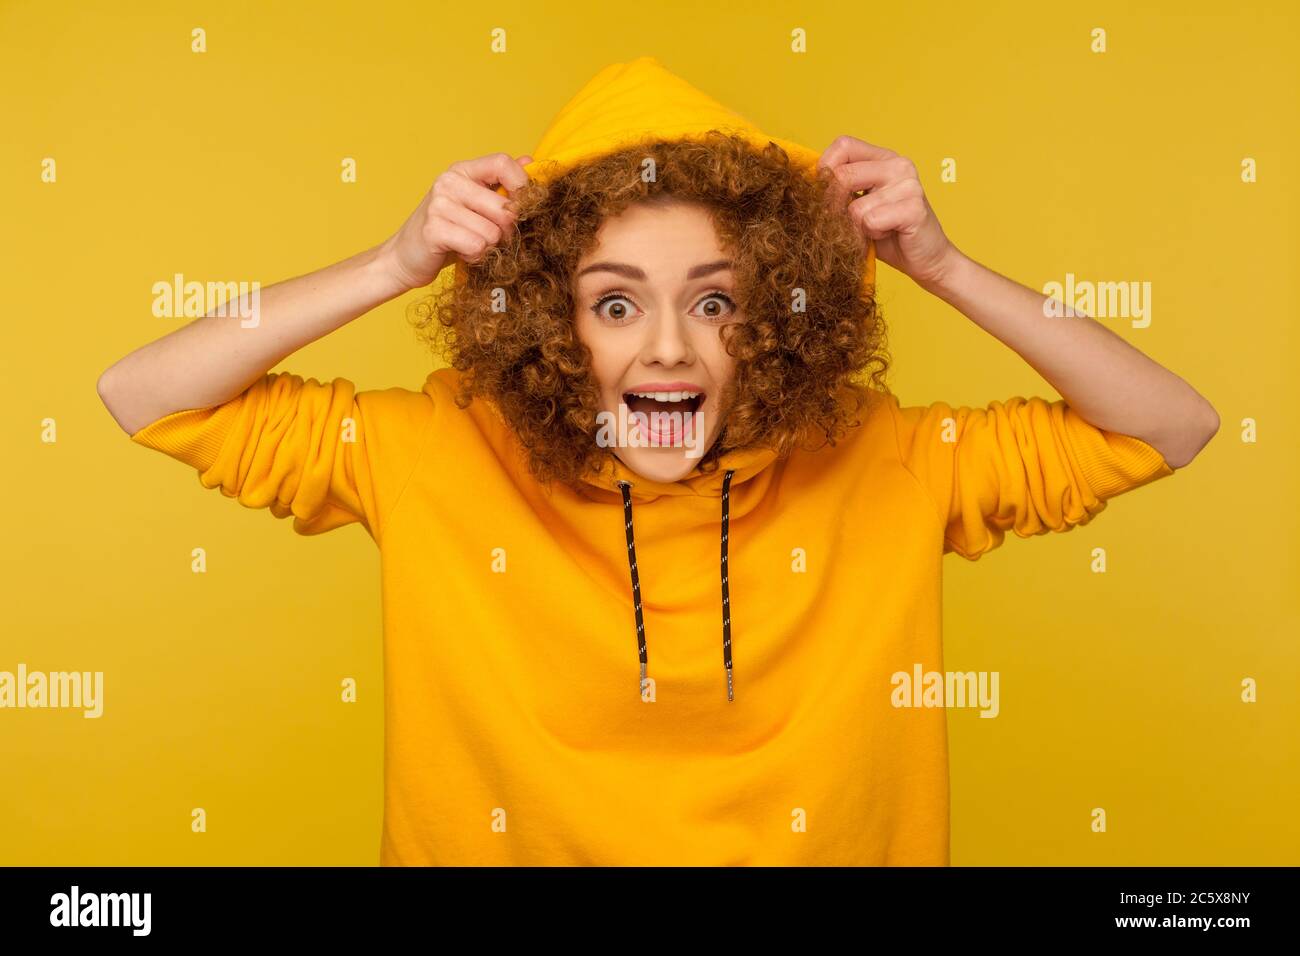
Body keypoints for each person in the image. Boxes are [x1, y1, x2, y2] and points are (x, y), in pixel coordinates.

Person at [97, 56, 1218, 865]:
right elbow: (142, 393)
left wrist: (945, 266)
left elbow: (1167, 424)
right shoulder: (434, 453)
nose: (669, 346)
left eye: (715, 300)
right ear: (545, 318)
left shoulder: (887, 461)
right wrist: (395, 262)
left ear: (777, 316)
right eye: (615, 302)